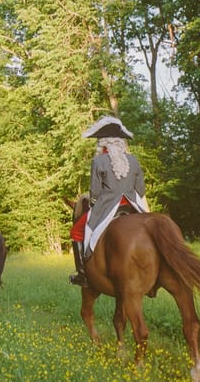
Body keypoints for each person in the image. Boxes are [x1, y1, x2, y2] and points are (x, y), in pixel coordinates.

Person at [70, 115, 148, 286]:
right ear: (121, 142)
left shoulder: (98, 161)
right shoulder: (133, 160)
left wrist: (95, 202)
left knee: (76, 231)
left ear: (102, 143)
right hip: (133, 204)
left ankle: (82, 274)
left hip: (108, 206)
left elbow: (95, 192)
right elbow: (141, 190)